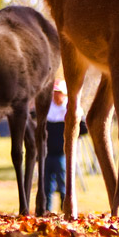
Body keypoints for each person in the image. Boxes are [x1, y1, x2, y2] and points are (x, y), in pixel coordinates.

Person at [43, 81, 70, 213]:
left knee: (63, 184)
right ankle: (47, 210)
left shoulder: (68, 110)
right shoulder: (47, 110)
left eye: (58, 93)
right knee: (47, 186)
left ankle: (64, 210)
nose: (55, 96)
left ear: (63, 94)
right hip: (47, 154)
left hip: (62, 155)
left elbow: (83, 129)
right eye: (54, 93)